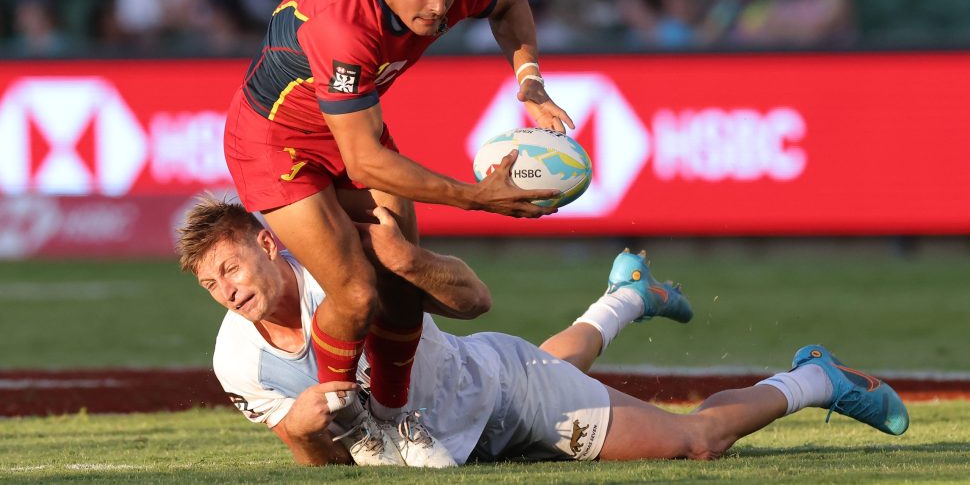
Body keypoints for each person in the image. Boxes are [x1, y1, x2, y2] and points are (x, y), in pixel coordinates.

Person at [176, 196, 910, 468]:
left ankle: (819, 377)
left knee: (694, 440)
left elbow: (459, 290)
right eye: (210, 283)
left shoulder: (343, 278)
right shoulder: (235, 358)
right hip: (462, 401)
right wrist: (306, 432)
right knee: (531, 362)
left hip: (507, 393)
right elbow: (315, 460)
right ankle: (625, 296)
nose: (227, 291)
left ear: (268, 244)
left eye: (231, 266)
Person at [221, 0, 574, 465]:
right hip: (275, 146)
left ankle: (391, 418)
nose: (439, 8)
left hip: (350, 127)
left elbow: (511, 3)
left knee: (403, 273)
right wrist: (478, 197)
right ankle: (350, 421)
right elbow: (363, 165)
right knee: (357, 292)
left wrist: (528, 79)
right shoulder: (343, 26)